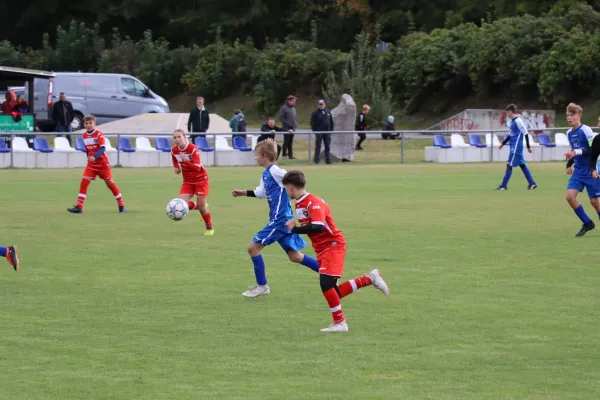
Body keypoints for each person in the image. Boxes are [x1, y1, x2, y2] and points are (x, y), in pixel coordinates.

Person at [282, 170, 389, 332]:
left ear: (290, 187)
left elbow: (317, 226)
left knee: (326, 285)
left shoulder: (313, 202)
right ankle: (368, 279)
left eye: (285, 188)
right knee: (332, 291)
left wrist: (294, 229)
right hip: (322, 248)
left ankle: (340, 323)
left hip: (333, 245)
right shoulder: (300, 203)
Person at [231, 139, 320, 298]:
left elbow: (291, 177)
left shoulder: (274, 171)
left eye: (257, 155)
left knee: (253, 248)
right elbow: (261, 192)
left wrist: (300, 195)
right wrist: (243, 192)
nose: (255, 158)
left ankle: (262, 286)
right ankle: (327, 272)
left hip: (279, 220)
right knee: (295, 256)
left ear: (264, 156)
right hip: (283, 219)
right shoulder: (266, 173)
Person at [67, 116, 126, 214]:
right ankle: (79, 207)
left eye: (90, 123)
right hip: (91, 165)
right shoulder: (84, 135)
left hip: (103, 164)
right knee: (84, 183)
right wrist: (89, 158)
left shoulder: (99, 134)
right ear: (84, 124)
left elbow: (103, 148)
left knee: (110, 184)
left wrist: (94, 156)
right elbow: (87, 149)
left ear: (94, 124)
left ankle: (121, 205)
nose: (88, 125)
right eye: (86, 123)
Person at [563, 103, 600, 237]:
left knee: (595, 202)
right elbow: (574, 152)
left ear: (579, 115)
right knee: (569, 196)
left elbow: (592, 150)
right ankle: (587, 223)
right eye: (567, 115)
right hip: (578, 171)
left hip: (591, 169)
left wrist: (576, 152)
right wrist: (568, 165)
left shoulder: (586, 130)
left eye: (572, 115)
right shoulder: (569, 133)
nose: (569, 118)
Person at [171, 129, 214, 236]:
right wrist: (177, 167)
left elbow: (198, 168)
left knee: (202, 208)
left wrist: (185, 161)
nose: (177, 139)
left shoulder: (193, 149)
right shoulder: (174, 150)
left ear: (185, 137)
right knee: (181, 204)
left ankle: (209, 228)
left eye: (179, 137)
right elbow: (174, 158)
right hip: (187, 181)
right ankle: (198, 205)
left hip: (201, 180)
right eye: (175, 137)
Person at [496, 104, 537, 191]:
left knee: (509, 165)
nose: (507, 114)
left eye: (507, 112)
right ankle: (532, 183)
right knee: (522, 165)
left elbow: (526, 133)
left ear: (510, 112)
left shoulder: (518, 121)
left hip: (516, 148)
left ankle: (503, 186)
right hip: (514, 147)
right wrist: (502, 144)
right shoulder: (512, 122)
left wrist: (528, 147)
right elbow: (511, 136)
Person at [310, 99, 334, 164]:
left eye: (322, 104)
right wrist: (315, 131)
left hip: (327, 132)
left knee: (327, 146)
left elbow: (331, 122)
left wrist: (331, 131)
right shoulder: (315, 113)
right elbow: (312, 123)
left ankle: (328, 160)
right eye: (320, 104)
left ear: (324, 104)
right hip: (319, 132)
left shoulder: (328, 112)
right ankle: (317, 160)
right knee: (318, 146)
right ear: (318, 105)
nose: (321, 105)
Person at [279, 95, 297, 159]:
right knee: (286, 142)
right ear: (289, 101)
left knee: (290, 142)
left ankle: (290, 155)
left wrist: (295, 125)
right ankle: (284, 155)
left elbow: (294, 118)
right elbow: (281, 118)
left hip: (293, 128)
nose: (294, 102)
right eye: (293, 101)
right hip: (286, 128)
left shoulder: (293, 109)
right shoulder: (283, 108)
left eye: (295, 101)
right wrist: (288, 124)